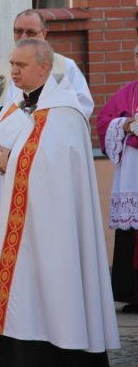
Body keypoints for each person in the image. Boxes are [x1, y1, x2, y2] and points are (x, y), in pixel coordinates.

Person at [0, 38, 120, 365]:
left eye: (21, 66)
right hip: (12, 229)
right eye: (12, 64)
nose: (13, 72)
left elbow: (52, 168)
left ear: (44, 67)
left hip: (50, 234)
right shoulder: (14, 105)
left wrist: (9, 161)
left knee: (49, 302)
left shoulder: (66, 113)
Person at [0, 9, 94, 142]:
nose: (23, 37)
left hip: (50, 145)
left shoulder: (65, 67)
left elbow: (82, 106)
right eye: (18, 31)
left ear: (44, 34)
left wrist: (43, 118)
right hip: (7, 151)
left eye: (30, 32)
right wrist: (12, 115)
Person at [95, 44, 138, 314]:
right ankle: (133, 293)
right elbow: (103, 120)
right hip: (132, 176)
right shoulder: (128, 92)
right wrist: (123, 124)